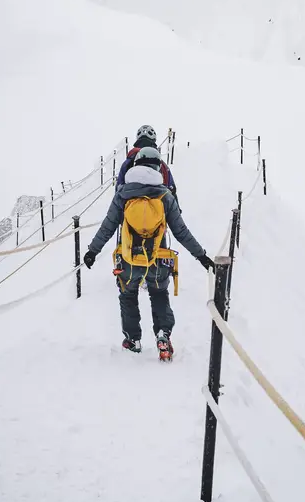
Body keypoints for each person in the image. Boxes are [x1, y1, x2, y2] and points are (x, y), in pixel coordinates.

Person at [84, 146, 213, 359]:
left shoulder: (123, 194)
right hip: (158, 259)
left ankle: (132, 339)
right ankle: (163, 335)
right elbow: (181, 231)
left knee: (127, 296)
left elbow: (107, 226)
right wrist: (201, 256)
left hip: (128, 259)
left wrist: (92, 252)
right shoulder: (165, 196)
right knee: (159, 294)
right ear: (157, 168)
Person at [117, 124, 177, 197]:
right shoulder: (162, 165)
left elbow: (119, 189)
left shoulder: (128, 163)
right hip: (158, 204)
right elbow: (172, 190)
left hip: (131, 205)